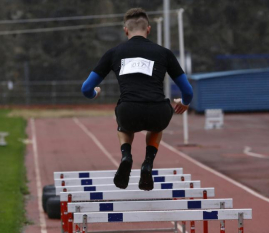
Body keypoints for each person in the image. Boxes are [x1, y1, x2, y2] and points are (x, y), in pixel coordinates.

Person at [81, 8, 193, 191]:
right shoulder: (164, 53)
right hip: (158, 112)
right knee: (157, 126)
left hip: (129, 111)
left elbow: (85, 89)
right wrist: (185, 102)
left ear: (126, 30)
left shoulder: (113, 53)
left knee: (124, 124)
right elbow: (187, 90)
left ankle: (126, 156)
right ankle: (148, 163)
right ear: (148, 29)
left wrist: (95, 93)